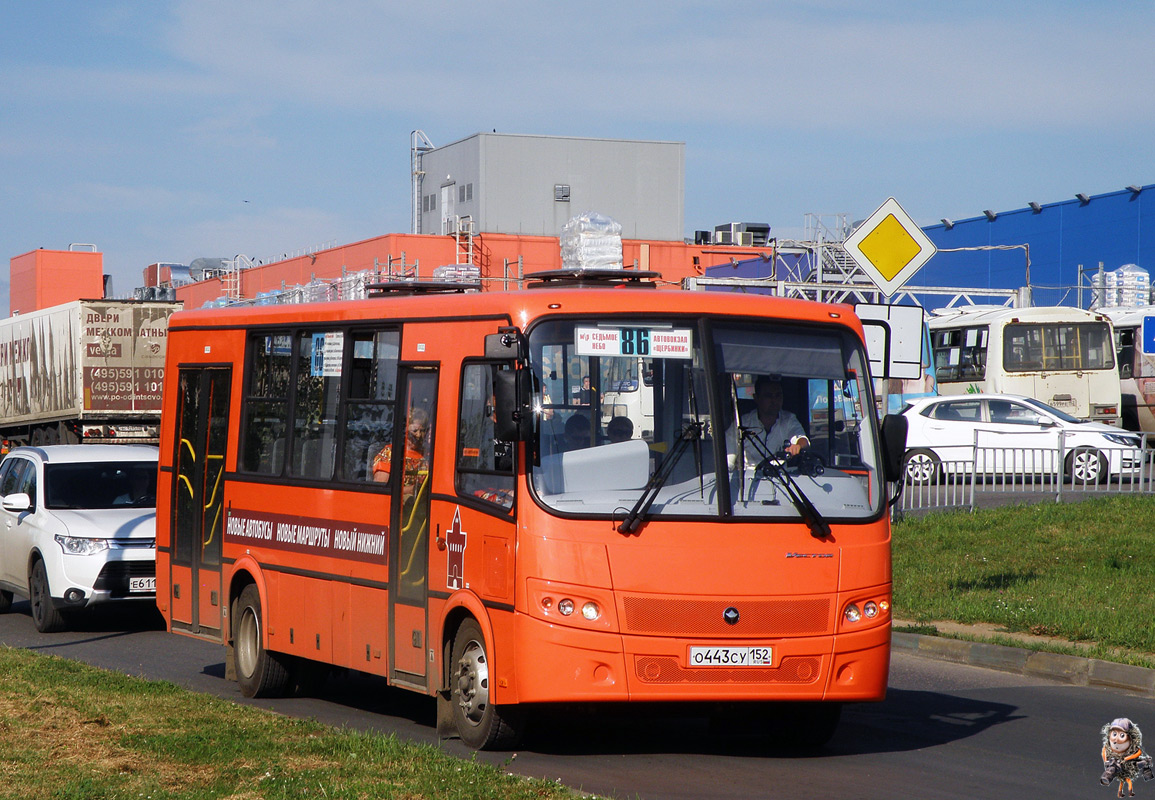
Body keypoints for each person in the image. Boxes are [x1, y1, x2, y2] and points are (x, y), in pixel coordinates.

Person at [732, 376, 809, 467]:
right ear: (756, 398)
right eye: (768, 396)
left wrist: (798, 446)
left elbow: (803, 440)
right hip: (749, 478)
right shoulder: (742, 423)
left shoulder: (789, 419)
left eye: (778, 395)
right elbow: (728, 460)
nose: (774, 400)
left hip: (781, 477)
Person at [373, 408, 430, 503]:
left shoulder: (427, 455)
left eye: (422, 431)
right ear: (406, 430)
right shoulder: (390, 453)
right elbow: (381, 489)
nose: (419, 435)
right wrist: (411, 490)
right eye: (415, 431)